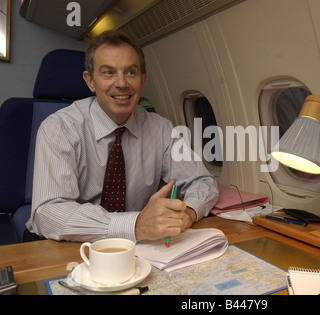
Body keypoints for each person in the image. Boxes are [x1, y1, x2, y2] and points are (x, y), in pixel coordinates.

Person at [25, 30, 219, 243]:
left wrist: (188, 213)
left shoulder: (161, 129)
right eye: (108, 72)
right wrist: (134, 225)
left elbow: (202, 181)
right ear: (90, 81)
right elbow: (49, 213)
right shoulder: (59, 128)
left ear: (142, 80)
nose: (122, 83)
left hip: (135, 244)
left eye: (131, 72)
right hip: (69, 243)